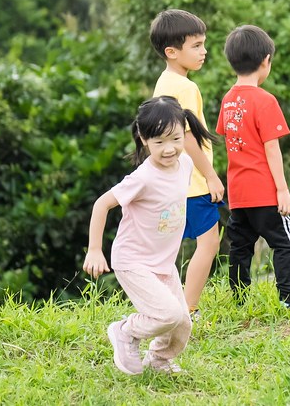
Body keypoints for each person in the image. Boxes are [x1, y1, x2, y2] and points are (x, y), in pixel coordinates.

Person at [83, 96, 215, 375]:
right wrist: (95, 249)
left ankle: (158, 360)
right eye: (159, 143)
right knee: (167, 314)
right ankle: (126, 331)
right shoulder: (143, 177)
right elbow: (102, 204)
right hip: (133, 261)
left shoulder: (186, 164)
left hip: (163, 263)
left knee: (182, 323)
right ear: (144, 139)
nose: (169, 149)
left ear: (184, 131)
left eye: (176, 139)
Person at [216, 25, 290, 311]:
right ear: (266, 60)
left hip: (239, 194)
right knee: (288, 244)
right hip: (265, 193)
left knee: (240, 248)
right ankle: (289, 299)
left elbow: (228, 137)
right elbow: (271, 148)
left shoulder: (228, 101)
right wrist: (282, 189)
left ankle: (239, 300)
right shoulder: (265, 100)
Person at [149, 9, 225, 320]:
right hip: (192, 182)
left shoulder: (165, 83)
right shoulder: (184, 87)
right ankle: (187, 309)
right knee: (209, 243)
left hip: (171, 182)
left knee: (168, 249)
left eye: (203, 44)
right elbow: (187, 137)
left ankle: (166, 307)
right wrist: (211, 176)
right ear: (172, 51)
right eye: (196, 45)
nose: (203, 51)